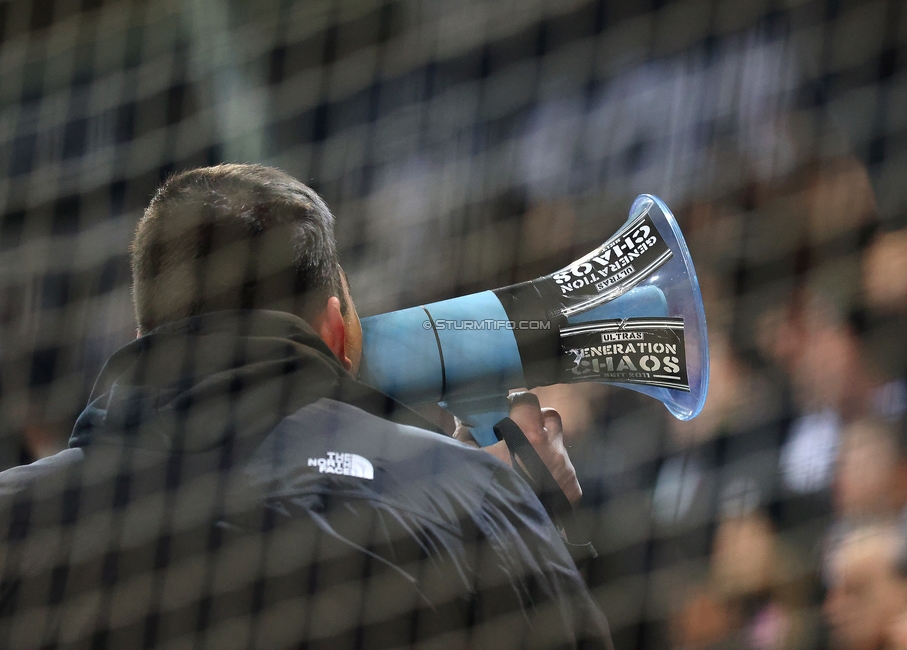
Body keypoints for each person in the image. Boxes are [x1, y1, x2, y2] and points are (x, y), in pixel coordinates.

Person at [0, 164, 611, 649]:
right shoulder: (469, 500)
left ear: (142, 339)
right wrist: (523, 521)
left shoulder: (16, 522)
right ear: (336, 330)